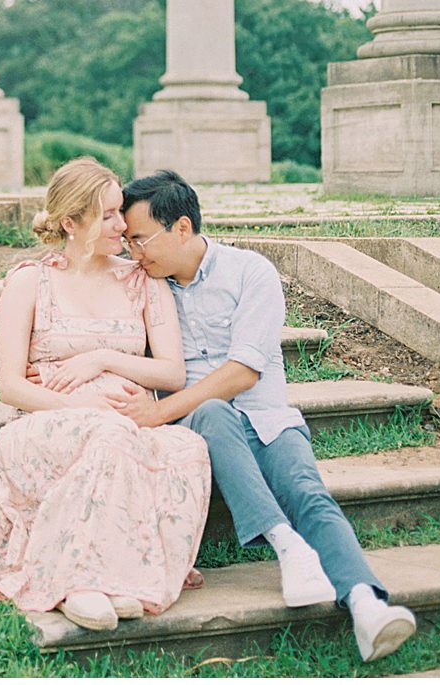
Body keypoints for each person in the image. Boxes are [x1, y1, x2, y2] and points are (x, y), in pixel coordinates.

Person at [115, 169, 417, 665]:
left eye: (140, 239)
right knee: (211, 411)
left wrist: (157, 411)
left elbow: (243, 373)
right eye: (128, 242)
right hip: (198, 431)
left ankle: (366, 606)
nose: (134, 252)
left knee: (307, 492)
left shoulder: (250, 272)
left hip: (264, 418)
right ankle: (285, 544)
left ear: (183, 228)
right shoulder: (144, 288)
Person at [0, 157, 211, 632]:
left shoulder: (141, 281)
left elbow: (171, 372)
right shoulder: (30, 282)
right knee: (107, 433)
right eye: (107, 214)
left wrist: (103, 359)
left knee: (186, 447)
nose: (122, 223)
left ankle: (119, 576)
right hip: (42, 428)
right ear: (71, 222)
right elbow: (11, 385)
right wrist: (82, 404)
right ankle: (78, 582)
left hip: (125, 426)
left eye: (119, 211)